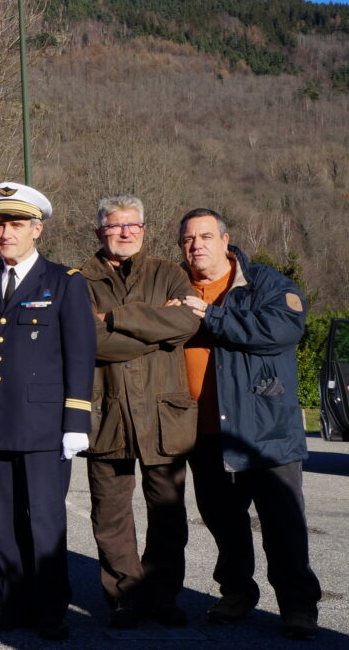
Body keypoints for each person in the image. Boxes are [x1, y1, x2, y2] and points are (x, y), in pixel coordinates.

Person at [177, 208, 322, 641]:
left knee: (283, 526)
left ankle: (298, 606)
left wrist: (211, 315)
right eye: (187, 239)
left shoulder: (266, 284)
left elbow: (281, 328)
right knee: (225, 524)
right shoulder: (174, 285)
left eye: (205, 236)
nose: (196, 245)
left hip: (264, 432)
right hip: (203, 433)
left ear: (226, 240)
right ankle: (237, 593)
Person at [0, 182, 95, 640]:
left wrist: (76, 421)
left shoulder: (64, 282)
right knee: (0, 522)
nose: (5, 233)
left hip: (43, 428)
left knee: (44, 521)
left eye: (16, 224)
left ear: (37, 229)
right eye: (0, 224)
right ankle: (8, 602)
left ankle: (51, 607)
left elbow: (80, 354)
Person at [77, 194, 199, 628]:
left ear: (144, 230)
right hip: (106, 412)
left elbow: (186, 323)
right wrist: (153, 326)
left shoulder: (169, 273)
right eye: (115, 226)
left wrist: (114, 317)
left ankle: (163, 597)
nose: (125, 233)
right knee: (110, 515)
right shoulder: (78, 280)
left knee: (167, 515)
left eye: (133, 225)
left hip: (163, 414)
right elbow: (85, 340)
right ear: (99, 231)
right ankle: (125, 597)